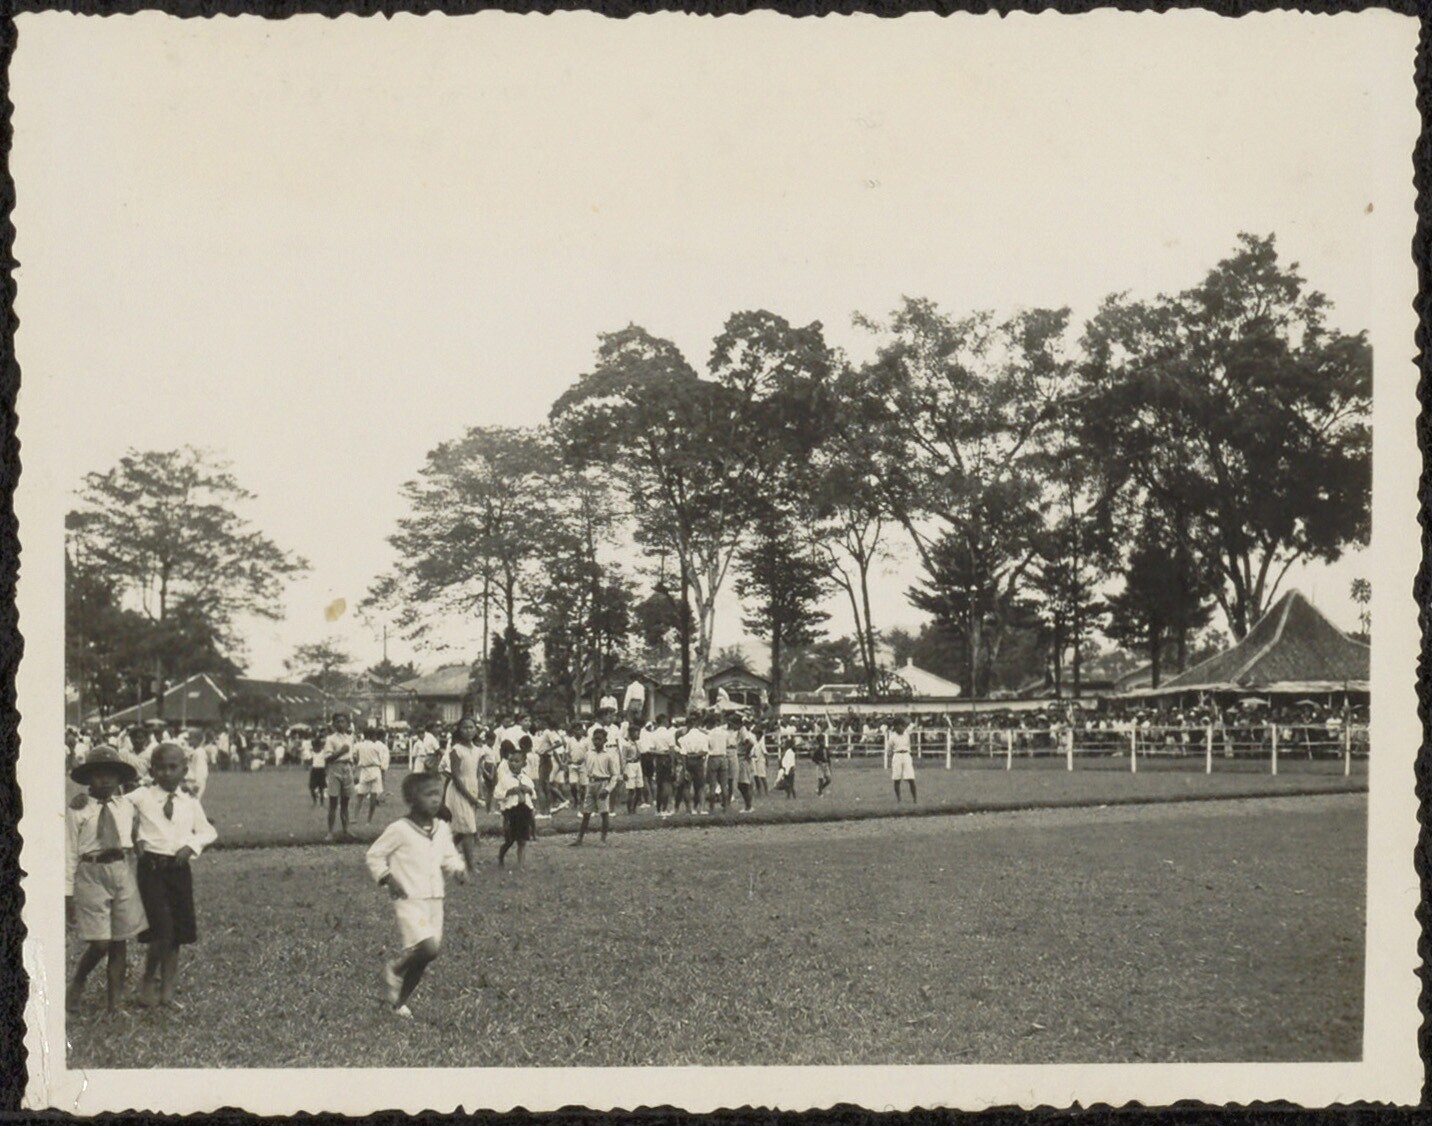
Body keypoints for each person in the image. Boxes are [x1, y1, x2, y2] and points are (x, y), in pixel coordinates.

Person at [365, 773, 468, 1019]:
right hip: (410, 899)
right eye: (428, 794)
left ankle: (398, 1003)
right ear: (411, 799)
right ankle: (395, 968)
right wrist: (388, 878)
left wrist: (458, 869)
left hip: (435, 899)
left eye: (437, 794)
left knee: (424, 958)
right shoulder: (399, 830)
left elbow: (449, 855)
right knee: (428, 948)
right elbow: (374, 855)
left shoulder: (442, 829)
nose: (435, 800)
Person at [130, 743, 218, 1009]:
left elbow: (208, 831)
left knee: (176, 934)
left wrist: (191, 846)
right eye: (161, 768)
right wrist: (135, 838)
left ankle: (168, 991)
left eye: (173, 767)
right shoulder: (142, 796)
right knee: (162, 930)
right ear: (152, 770)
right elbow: (117, 809)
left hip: (178, 871)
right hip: (151, 869)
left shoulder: (189, 802)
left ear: (184, 770)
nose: (167, 773)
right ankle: (148, 981)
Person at [65, 746, 146, 1013]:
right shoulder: (78, 809)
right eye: (99, 774)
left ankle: (115, 1004)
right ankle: (79, 980)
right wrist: (67, 893)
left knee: (120, 940)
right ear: (88, 778)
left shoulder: (127, 805)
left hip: (121, 871)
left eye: (112, 774)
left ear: (120, 778)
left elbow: (154, 793)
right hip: (91, 873)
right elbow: (69, 852)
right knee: (100, 943)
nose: (106, 780)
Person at [442, 716, 485, 873]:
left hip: (472, 788)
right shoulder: (456, 750)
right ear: (459, 731)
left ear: (476, 730)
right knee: (468, 829)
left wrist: (479, 794)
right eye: (465, 728)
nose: (468, 731)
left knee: (462, 829)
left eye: (471, 727)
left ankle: (439, 854)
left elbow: (477, 774)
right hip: (459, 791)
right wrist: (470, 797)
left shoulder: (478, 750)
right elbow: (455, 776)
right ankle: (471, 866)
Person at [571, 726, 620, 847]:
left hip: (602, 784)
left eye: (599, 739)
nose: (597, 742)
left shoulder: (608, 756)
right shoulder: (588, 754)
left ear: (605, 740)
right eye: (595, 739)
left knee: (604, 813)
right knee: (586, 813)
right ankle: (579, 839)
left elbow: (614, 775)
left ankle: (603, 839)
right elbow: (580, 763)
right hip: (591, 784)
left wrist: (608, 789)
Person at [493, 739, 538, 869]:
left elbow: (533, 795)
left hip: (524, 810)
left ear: (524, 763)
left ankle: (520, 865)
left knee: (522, 840)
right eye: (511, 761)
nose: (513, 764)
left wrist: (529, 790)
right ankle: (501, 856)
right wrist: (510, 792)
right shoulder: (505, 779)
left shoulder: (527, 779)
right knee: (510, 839)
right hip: (511, 811)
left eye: (517, 761)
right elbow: (497, 794)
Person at [323, 712, 358, 840]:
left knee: (345, 801)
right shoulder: (330, 739)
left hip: (347, 768)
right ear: (333, 724)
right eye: (337, 721)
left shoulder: (350, 738)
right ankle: (330, 832)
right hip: (335, 768)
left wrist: (353, 764)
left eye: (343, 721)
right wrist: (341, 752)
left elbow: (352, 755)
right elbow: (327, 758)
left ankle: (346, 829)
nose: (340, 724)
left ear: (347, 724)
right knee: (333, 802)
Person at [355, 725, 391, 824]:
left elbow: (355, 755)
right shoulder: (378, 746)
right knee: (373, 797)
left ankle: (355, 817)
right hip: (375, 770)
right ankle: (368, 821)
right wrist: (383, 769)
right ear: (371, 736)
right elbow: (383, 758)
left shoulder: (359, 745)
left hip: (365, 770)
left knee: (360, 796)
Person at [677, 714, 709, 814]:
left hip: (688, 760)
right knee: (700, 786)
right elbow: (705, 751)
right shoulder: (703, 736)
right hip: (698, 761)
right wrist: (696, 755)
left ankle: (689, 808)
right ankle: (701, 808)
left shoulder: (684, 738)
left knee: (686, 786)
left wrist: (685, 768)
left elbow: (683, 754)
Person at [649, 714, 677, 817]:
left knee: (659, 785)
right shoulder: (669, 734)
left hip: (658, 759)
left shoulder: (654, 734)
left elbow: (651, 750)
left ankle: (658, 809)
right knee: (667, 784)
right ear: (664, 721)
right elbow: (672, 750)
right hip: (667, 758)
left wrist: (659, 753)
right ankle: (664, 808)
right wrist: (673, 765)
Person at [703, 712, 730, 814]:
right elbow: (727, 744)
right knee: (724, 785)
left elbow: (707, 746)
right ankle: (726, 807)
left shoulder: (709, 734)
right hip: (723, 757)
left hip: (713, 757)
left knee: (712, 785)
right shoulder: (725, 733)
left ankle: (712, 808)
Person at [887, 717, 917, 803]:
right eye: (900, 726)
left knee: (911, 778)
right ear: (896, 727)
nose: (902, 728)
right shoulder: (892, 737)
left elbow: (912, 743)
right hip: (897, 755)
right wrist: (890, 757)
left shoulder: (907, 734)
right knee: (896, 779)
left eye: (903, 726)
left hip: (906, 755)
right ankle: (899, 799)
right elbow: (889, 749)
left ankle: (915, 799)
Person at [621, 721, 646, 814]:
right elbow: (623, 758)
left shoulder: (638, 743)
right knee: (631, 789)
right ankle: (630, 809)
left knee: (639, 788)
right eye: (636, 732)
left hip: (637, 764)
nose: (638, 734)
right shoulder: (626, 744)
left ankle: (634, 807)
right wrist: (624, 771)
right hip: (630, 765)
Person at [811, 730, 833, 797]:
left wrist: (829, 766)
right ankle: (820, 793)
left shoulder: (826, 749)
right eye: (821, 741)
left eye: (823, 741)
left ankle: (819, 789)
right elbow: (813, 759)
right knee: (820, 779)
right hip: (820, 766)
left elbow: (828, 758)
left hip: (826, 765)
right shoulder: (817, 750)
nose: (823, 742)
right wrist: (818, 762)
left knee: (828, 780)